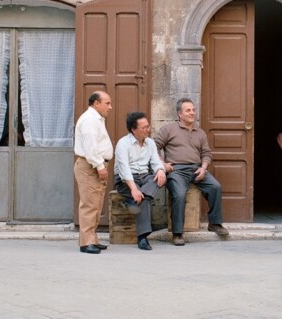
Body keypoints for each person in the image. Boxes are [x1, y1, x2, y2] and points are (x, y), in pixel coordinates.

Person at [153, 97, 229, 246]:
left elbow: (206, 153)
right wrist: (162, 164)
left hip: (196, 168)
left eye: (193, 110)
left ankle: (214, 223)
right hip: (176, 170)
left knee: (215, 187)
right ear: (179, 114)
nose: (192, 113)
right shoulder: (168, 129)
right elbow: (153, 146)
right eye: (188, 110)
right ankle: (177, 233)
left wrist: (203, 167)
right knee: (179, 194)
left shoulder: (200, 132)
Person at [113, 112, 167, 251]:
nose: (148, 129)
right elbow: (124, 169)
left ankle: (136, 199)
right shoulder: (123, 143)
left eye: (148, 126)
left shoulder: (150, 143)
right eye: (144, 127)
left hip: (145, 177)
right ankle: (142, 238)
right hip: (126, 179)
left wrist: (160, 170)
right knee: (144, 198)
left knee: (160, 178)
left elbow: (155, 162)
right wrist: (134, 189)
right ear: (133, 129)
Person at [73, 91, 114, 254]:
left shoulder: (96, 119)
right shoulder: (90, 119)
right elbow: (91, 147)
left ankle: (92, 238)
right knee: (90, 204)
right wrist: (99, 166)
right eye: (107, 103)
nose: (110, 107)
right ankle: (86, 242)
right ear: (96, 103)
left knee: (96, 203)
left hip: (94, 166)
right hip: (90, 167)